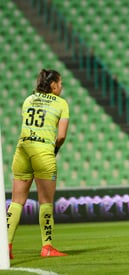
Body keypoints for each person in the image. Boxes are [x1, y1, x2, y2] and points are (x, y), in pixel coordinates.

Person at [7, 69, 70, 258]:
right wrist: (54, 151)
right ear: (53, 85)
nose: (61, 86)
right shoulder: (61, 104)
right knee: (46, 202)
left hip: (22, 150)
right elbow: (61, 136)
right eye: (60, 83)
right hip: (43, 151)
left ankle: (6, 247)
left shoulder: (28, 99)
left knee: (16, 201)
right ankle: (47, 247)